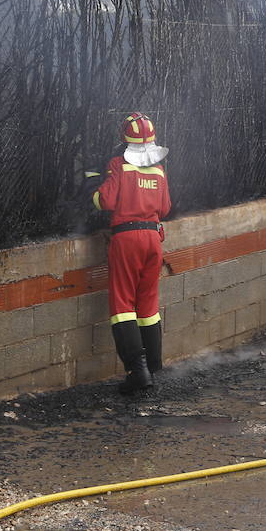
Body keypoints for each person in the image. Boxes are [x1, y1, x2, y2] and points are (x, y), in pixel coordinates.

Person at [93, 111, 171, 394]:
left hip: (127, 240)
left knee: (122, 306)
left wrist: (94, 186)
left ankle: (137, 373)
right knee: (148, 306)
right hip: (153, 240)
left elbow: (105, 200)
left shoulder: (119, 165)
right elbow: (164, 208)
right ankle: (153, 366)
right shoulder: (159, 170)